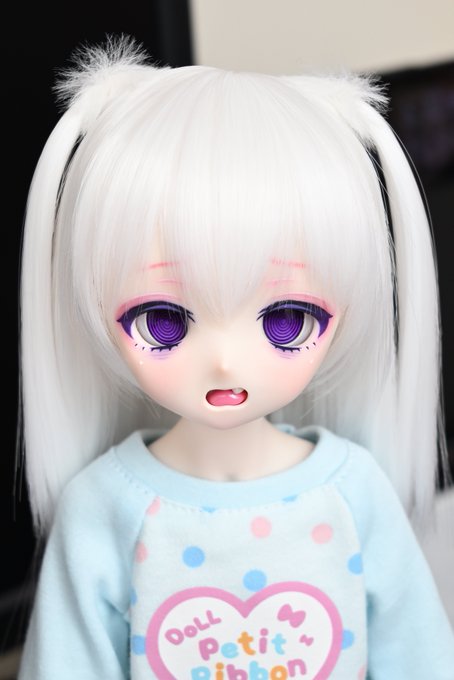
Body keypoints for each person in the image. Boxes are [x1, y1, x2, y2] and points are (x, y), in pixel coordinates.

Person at [18, 37, 454, 679]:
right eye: (163, 321)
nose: (224, 361)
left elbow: (419, 657)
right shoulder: (104, 507)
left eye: (286, 321)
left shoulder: (353, 490)